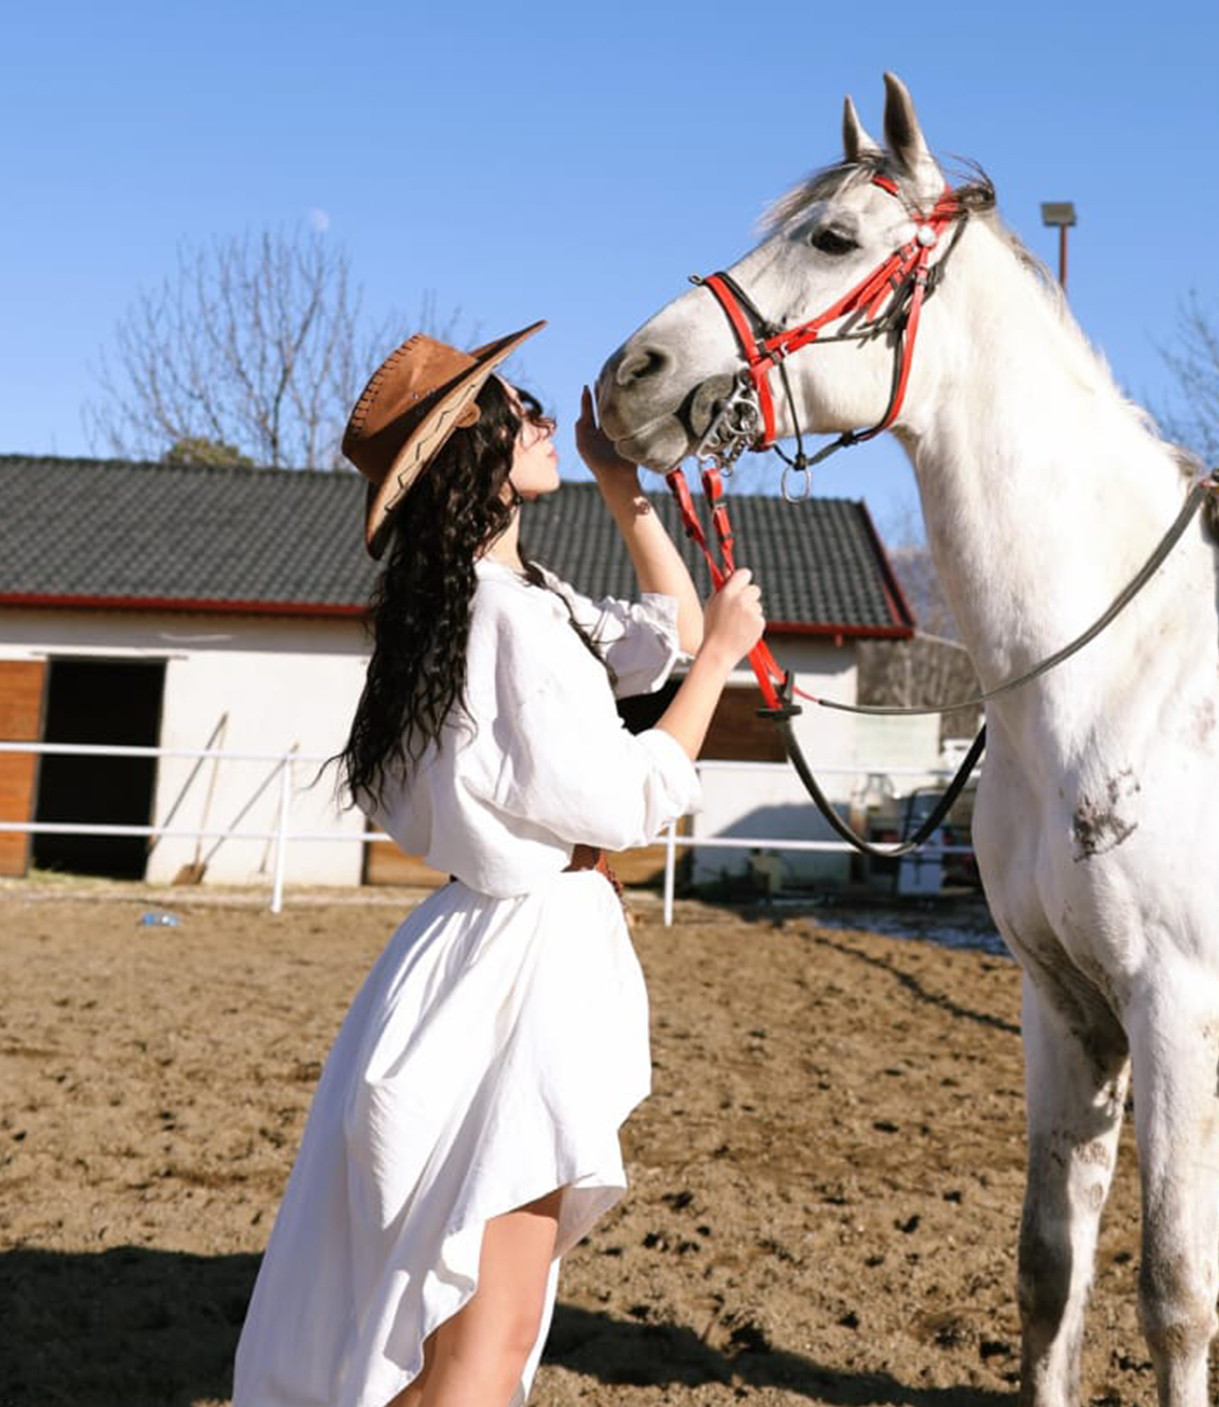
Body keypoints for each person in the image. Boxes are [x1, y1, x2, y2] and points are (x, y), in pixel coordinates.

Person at [232, 322, 765, 1407]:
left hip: (469, 955)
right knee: (491, 1321)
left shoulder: (479, 612)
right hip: (526, 966)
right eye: (513, 411)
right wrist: (721, 659)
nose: (537, 419)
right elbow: (626, 790)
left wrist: (626, 494)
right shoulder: (511, 623)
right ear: (473, 457)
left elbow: (645, 634)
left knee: (475, 1302)